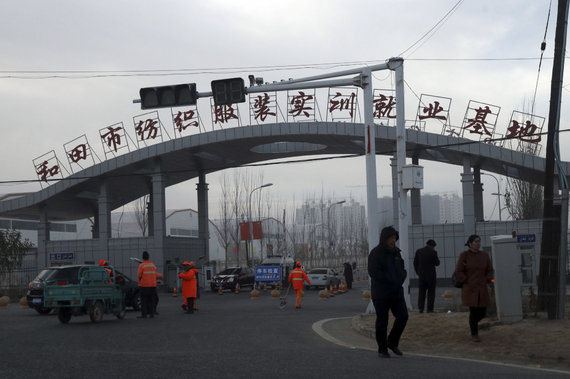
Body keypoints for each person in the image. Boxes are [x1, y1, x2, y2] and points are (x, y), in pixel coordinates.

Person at [368, 226, 408, 358]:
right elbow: (374, 272)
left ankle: (392, 342)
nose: (393, 240)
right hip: (381, 293)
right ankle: (382, 349)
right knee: (382, 321)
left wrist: (401, 277)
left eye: (394, 238)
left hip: (396, 292)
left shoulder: (397, 253)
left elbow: (402, 268)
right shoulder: (376, 253)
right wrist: (389, 280)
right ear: (384, 238)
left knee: (403, 316)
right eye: (390, 238)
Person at [454, 234, 494, 342]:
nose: (478, 243)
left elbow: (490, 269)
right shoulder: (465, 255)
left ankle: (474, 324)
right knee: (473, 311)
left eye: (479, 241)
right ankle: (474, 334)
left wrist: (488, 279)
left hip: (482, 287)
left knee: (482, 312)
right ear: (470, 244)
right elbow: (459, 270)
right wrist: (465, 280)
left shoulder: (484, 255)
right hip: (470, 288)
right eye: (476, 241)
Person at [413, 239, 440, 313]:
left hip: (421, 275)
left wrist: (418, 272)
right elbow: (437, 263)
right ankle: (430, 309)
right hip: (431, 276)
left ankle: (420, 309)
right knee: (431, 293)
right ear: (433, 246)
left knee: (421, 292)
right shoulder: (433, 252)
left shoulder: (419, 251)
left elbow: (415, 263)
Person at [137, 251, 159, 319]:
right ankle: (151, 314)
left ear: (143, 257)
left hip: (144, 285)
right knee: (151, 300)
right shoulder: (152, 265)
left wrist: (140, 280)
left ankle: (144, 314)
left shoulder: (142, 265)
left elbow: (139, 275)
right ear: (148, 257)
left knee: (143, 300)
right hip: (153, 285)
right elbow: (156, 275)